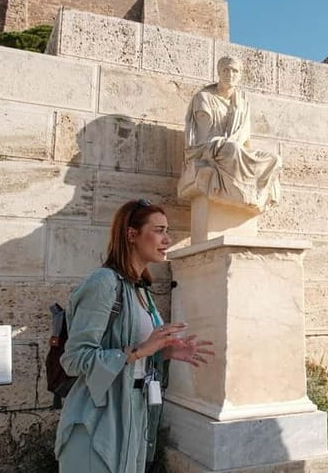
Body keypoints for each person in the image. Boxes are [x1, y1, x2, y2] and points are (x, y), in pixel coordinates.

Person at [55, 199, 214, 473]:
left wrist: (166, 351)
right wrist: (141, 350)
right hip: (97, 423)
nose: (167, 239)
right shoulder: (103, 283)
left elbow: (139, 356)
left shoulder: (140, 290)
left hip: (133, 417)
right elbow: (74, 360)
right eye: (159, 230)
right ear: (132, 234)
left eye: (167, 231)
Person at [177, 56, 281, 210]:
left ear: (240, 75)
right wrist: (226, 143)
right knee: (232, 148)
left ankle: (256, 191)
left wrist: (235, 144)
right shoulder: (204, 98)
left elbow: (244, 134)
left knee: (274, 159)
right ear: (219, 72)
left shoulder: (242, 102)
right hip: (209, 148)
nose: (230, 74)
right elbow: (203, 138)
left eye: (235, 71)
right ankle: (242, 189)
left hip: (234, 147)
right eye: (226, 70)